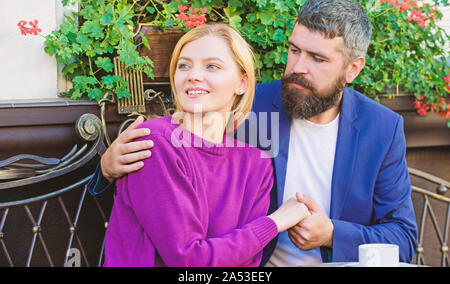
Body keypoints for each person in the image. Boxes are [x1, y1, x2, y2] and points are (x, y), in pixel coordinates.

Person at [90, 0, 417, 266]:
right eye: (294, 50)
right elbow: (168, 174)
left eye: (317, 58)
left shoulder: (381, 129)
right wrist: (105, 171)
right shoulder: (243, 107)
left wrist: (332, 234)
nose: (298, 67)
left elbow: (403, 237)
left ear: (353, 69)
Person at [102, 23, 310, 267]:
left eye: (212, 66)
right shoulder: (157, 143)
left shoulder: (255, 163)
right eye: (184, 66)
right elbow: (189, 260)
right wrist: (274, 223)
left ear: (242, 83)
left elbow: (247, 262)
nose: (193, 75)